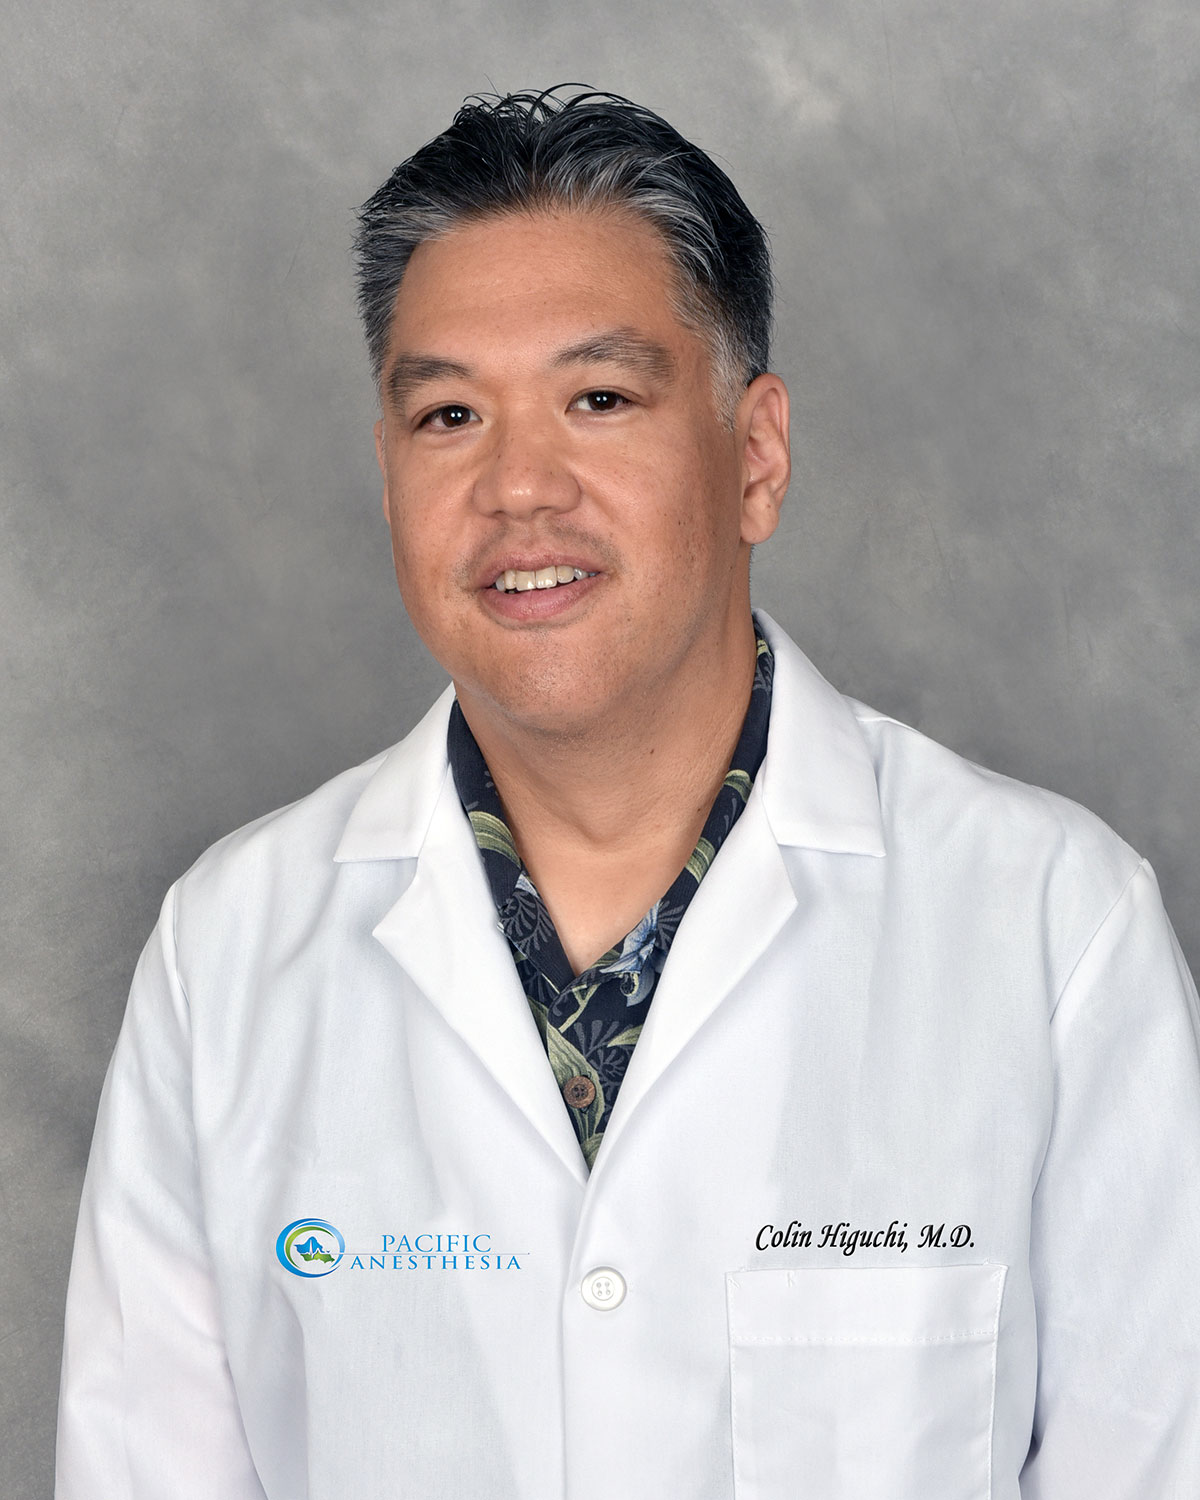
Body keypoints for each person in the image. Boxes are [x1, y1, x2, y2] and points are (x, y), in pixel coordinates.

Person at [56, 86, 1200, 1499]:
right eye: (450, 414)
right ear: (389, 474)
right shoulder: (227, 953)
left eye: (599, 399)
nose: (519, 488)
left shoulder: (1051, 932)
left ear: (756, 457)